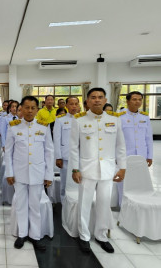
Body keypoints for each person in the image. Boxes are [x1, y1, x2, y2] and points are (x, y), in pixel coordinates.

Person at [69, 88, 126, 254]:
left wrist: (122, 167)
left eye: (100, 97)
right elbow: (73, 148)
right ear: (87, 101)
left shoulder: (115, 120)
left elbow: (120, 146)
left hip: (107, 170)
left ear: (105, 99)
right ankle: (84, 236)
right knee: (84, 204)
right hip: (86, 170)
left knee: (103, 203)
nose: (97, 100)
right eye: (93, 97)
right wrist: (75, 169)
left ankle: (101, 236)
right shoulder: (79, 120)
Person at [5, 96, 54, 250]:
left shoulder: (43, 127)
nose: (30, 110)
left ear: (37, 109)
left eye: (33, 107)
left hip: (38, 173)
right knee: (21, 205)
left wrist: (49, 174)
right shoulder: (13, 127)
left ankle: (35, 236)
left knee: (35, 205)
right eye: (26, 107)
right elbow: (8, 152)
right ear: (21, 108)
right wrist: (9, 172)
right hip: (19, 173)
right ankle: (22, 234)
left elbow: (49, 152)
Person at [118, 91, 153, 206]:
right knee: (123, 183)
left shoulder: (144, 117)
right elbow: (116, 139)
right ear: (128, 101)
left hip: (141, 156)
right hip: (125, 156)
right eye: (134, 99)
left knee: (139, 182)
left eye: (139, 99)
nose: (137, 101)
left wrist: (149, 156)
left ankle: (136, 207)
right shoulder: (120, 117)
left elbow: (148, 138)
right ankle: (123, 208)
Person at [53, 96, 79, 203]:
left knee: (80, 183)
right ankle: (65, 207)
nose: (74, 106)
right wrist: (58, 157)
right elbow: (57, 139)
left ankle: (77, 205)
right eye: (71, 104)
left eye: (76, 104)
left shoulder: (83, 119)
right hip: (66, 157)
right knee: (65, 184)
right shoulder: (60, 120)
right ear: (66, 106)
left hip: (81, 157)